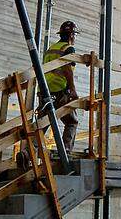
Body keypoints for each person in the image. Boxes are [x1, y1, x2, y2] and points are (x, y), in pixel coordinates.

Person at [43, 20, 79, 153]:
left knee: (42, 124)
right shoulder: (68, 49)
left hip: (45, 91)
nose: (74, 38)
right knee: (71, 122)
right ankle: (65, 152)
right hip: (60, 91)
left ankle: (27, 152)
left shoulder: (50, 49)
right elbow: (67, 69)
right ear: (71, 35)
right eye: (75, 35)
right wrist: (73, 90)